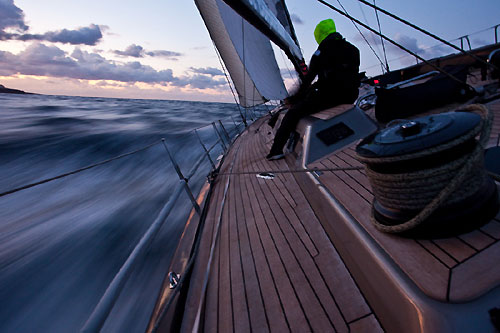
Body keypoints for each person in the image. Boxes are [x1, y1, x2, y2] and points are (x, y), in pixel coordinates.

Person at [266, 18, 360, 160]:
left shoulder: (320, 53)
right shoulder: (354, 49)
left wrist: (294, 99)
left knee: (293, 113)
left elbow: (308, 80)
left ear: (319, 35)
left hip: (329, 97)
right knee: (314, 91)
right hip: (351, 95)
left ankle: (276, 151)